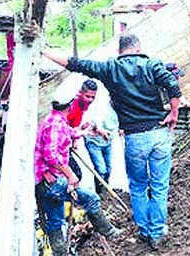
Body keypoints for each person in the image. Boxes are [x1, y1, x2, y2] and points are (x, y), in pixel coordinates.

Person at [43, 34, 182, 250]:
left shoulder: (111, 69)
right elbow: (172, 84)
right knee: (160, 185)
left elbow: (76, 64)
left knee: (137, 185)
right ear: (138, 48)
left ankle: (145, 231)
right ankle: (157, 231)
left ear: (119, 51)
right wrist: (174, 112)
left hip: (135, 137)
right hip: (159, 134)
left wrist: (43, 52)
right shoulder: (152, 65)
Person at [35, 87, 120, 256]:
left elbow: (69, 133)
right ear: (70, 104)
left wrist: (84, 131)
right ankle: (110, 233)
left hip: (45, 180)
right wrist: (69, 174)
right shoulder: (56, 125)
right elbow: (50, 154)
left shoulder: (53, 120)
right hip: (51, 181)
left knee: (55, 219)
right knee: (91, 199)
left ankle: (60, 252)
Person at [83, 92, 119, 196]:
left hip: (107, 142)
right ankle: (99, 192)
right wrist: (100, 130)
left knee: (108, 168)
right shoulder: (102, 108)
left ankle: (105, 191)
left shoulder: (121, 109)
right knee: (101, 169)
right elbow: (91, 123)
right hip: (94, 141)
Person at [66, 79, 98, 181]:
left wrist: (74, 141)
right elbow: (64, 127)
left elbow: (75, 124)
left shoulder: (83, 105)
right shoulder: (72, 106)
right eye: (87, 96)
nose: (90, 100)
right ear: (80, 93)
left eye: (93, 97)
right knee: (76, 174)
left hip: (69, 141)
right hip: (61, 144)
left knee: (76, 174)